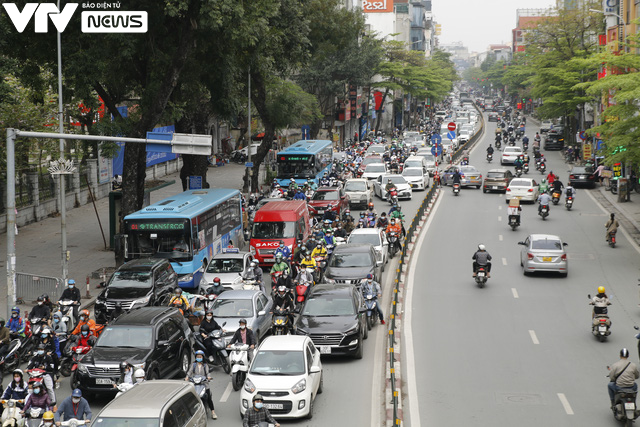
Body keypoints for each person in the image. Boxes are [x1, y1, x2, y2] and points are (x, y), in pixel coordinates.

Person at [185, 350, 217, 420]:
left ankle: (213, 412)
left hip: (204, 383)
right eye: (197, 356)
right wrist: (187, 377)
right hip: (195, 384)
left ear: (202, 357)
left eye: (200, 356)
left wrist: (208, 377)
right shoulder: (193, 365)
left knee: (209, 399)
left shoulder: (205, 365)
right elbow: (189, 372)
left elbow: (208, 373)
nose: (199, 357)